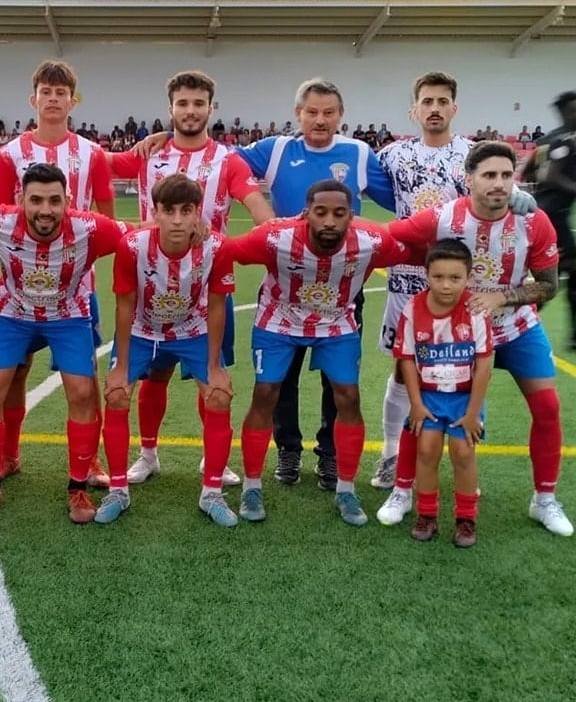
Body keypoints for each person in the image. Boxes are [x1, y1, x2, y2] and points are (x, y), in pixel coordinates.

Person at [137, 78, 396, 491]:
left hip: (342, 283)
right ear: (299, 114)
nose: (320, 119)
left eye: (329, 112)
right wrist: (168, 134)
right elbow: (208, 155)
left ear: (340, 116)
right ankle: (288, 451)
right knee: (279, 378)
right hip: (283, 283)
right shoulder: (275, 149)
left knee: (340, 381)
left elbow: (402, 198)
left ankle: (330, 455)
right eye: (312, 111)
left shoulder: (360, 154)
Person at [381, 141, 570, 537]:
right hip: (455, 337)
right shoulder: (443, 217)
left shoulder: (534, 222)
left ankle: (545, 499)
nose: (498, 183)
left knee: (548, 407)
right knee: (425, 411)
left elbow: (549, 287)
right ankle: (403, 492)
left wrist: (503, 296)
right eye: (488, 175)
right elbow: (388, 236)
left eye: (505, 175)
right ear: (469, 180)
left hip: (514, 328)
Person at [0, 162, 129, 524]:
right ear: (21, 199)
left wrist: (188, 229)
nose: (45, 210)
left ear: (67, 201)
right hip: (13, 316)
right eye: (35, 200)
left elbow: (137, 234)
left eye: (55, 201)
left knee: (83, 393)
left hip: (68, 316)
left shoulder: (89, 228)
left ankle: (77, 487)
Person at [108, 69, 274, 487]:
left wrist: (275, 237)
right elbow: (98, 162)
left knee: (212, 379)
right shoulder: (149, 153)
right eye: (183, 103)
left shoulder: (227, 161)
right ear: (171, 109)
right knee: (155, 376)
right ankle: (148, 455)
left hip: (206, 288)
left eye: (199, 103)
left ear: (211, 109)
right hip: (151, 284)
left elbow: (256, 206)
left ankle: (211, 459)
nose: (191, 110)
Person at [223, 179, 411, 527]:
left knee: (349, 398)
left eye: (339, 214)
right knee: (265, 393)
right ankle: (252, 485)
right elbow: (226, 251)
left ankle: (346, 489)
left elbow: (416, 249)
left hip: (336, 324)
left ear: (351, 216)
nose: (329, 221)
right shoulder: (275, 238)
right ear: (306, 213)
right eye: (321, 213)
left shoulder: (371, 241)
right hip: (278, 320)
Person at [0, 60, 115, 487]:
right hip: (21, 289)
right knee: (15, 371)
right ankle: (8, 453)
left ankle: (91, 459)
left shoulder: (91, 153)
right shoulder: (10, 154)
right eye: (46, 92)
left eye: (61, 93)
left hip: (77, 288)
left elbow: (106, 219)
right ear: (34, 99)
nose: (53, 99)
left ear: (72, 101)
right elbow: (1, 214)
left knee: (85, 378)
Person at [96, 173, 237, 526]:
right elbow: (125, 305)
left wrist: (215, 364)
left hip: (193, 330)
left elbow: (218, 305)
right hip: (144, 331)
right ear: (155, 212)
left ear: (197, 214)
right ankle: (120, 487)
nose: (177, 220)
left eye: (186, 210)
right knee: (116, 394)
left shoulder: (217, 247)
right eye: (168, 210)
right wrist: (121, 365)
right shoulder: (132, 246)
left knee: (219, 394)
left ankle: (212, 493)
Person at [369, 72, 475, 489]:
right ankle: (391, 454)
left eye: (442, 101)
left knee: (460, 368)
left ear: (454, 107)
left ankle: (461, 461)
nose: (434, 108)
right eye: (427, 101)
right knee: (403, 369)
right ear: (414, 110)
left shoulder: (473, 156)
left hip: (455, 281)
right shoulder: (392, 156)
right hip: (406, 278)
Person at [393, 239, 493, 548]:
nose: (446, 285)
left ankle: (466, 519)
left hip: (464, 399)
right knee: (427, 450)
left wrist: (473, 413)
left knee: (463, 452)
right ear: (427, 275)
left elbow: (484, 364)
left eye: (455, 278)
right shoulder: (413, 309)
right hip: (430, 398)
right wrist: (416, 404)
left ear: (467, 277)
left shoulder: (475, 311)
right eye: (438, 277)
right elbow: (407, 359)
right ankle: (427, 515)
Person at [521, 90, 576, 350]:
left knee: (564, 272)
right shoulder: (565, 140)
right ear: (565, 112)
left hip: (545, 214)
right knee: (556, 276)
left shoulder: (546, 140)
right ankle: (517, 323)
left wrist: (536, 195)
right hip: (554, 217)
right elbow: (551, 176)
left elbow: (528, 171)